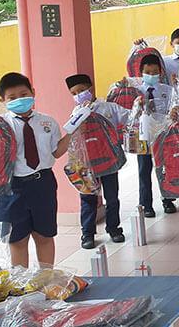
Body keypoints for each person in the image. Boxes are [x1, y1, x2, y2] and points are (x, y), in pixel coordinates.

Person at [0, 73, 71, 267]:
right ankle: (21, 286)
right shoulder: (1, 126)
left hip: (42, 183)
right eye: (12, 98)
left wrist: (72, 131)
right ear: (2, 100)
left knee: (44, 235)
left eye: (24, 94)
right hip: (12, 188)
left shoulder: (48, 122)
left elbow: (55, 152)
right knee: (17, 240)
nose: (19, 100)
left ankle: (46, 280)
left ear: (33, 93)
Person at [65, 74, 128, 249]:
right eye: (74, 93)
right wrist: (81, 116)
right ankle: (87, 234)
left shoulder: (108, 108)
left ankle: (114, 228)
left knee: (112, 197)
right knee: (87, 198)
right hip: (86, 164)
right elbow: (71, 132)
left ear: (90, 88)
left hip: (108, 161)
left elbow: (128, 117)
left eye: (82, 90)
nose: (79, 95)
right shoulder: (75, 112)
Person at [137, 53, 178, 216]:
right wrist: (137, 105)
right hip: (143, 136)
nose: (152, 75)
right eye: (148, 72)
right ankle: (146, 204)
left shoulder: (168, 90)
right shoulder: (136, 91)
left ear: (160, 73)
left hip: (163, 134)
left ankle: (167, 199)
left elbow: (174, 106)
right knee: (143, 170)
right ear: (141, 72)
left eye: (155, 72)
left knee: (165, 168)